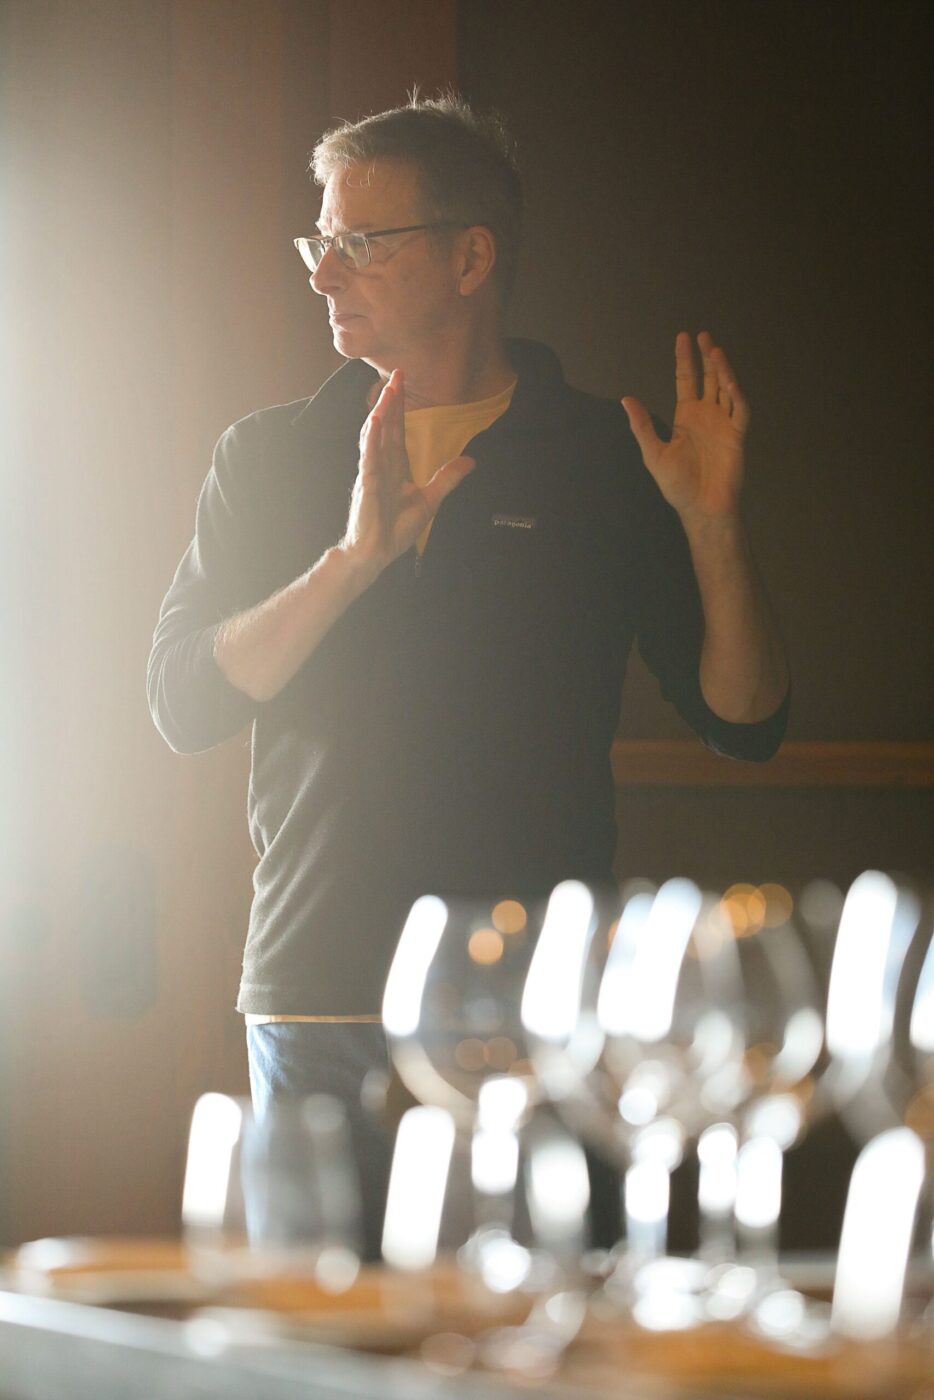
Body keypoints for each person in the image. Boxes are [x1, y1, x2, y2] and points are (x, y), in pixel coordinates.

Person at [147, 95, 789, 1259]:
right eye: (318, 241)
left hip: (535, 1010)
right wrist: (351, 564)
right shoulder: (271, 452)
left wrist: (710, 526)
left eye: (360, 243)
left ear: (470, 256)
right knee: (317, 1364)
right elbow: (183, 701)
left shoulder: (607, 453)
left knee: (530, 1355)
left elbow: (745, 723)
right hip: (316, 987)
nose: (324, 272)